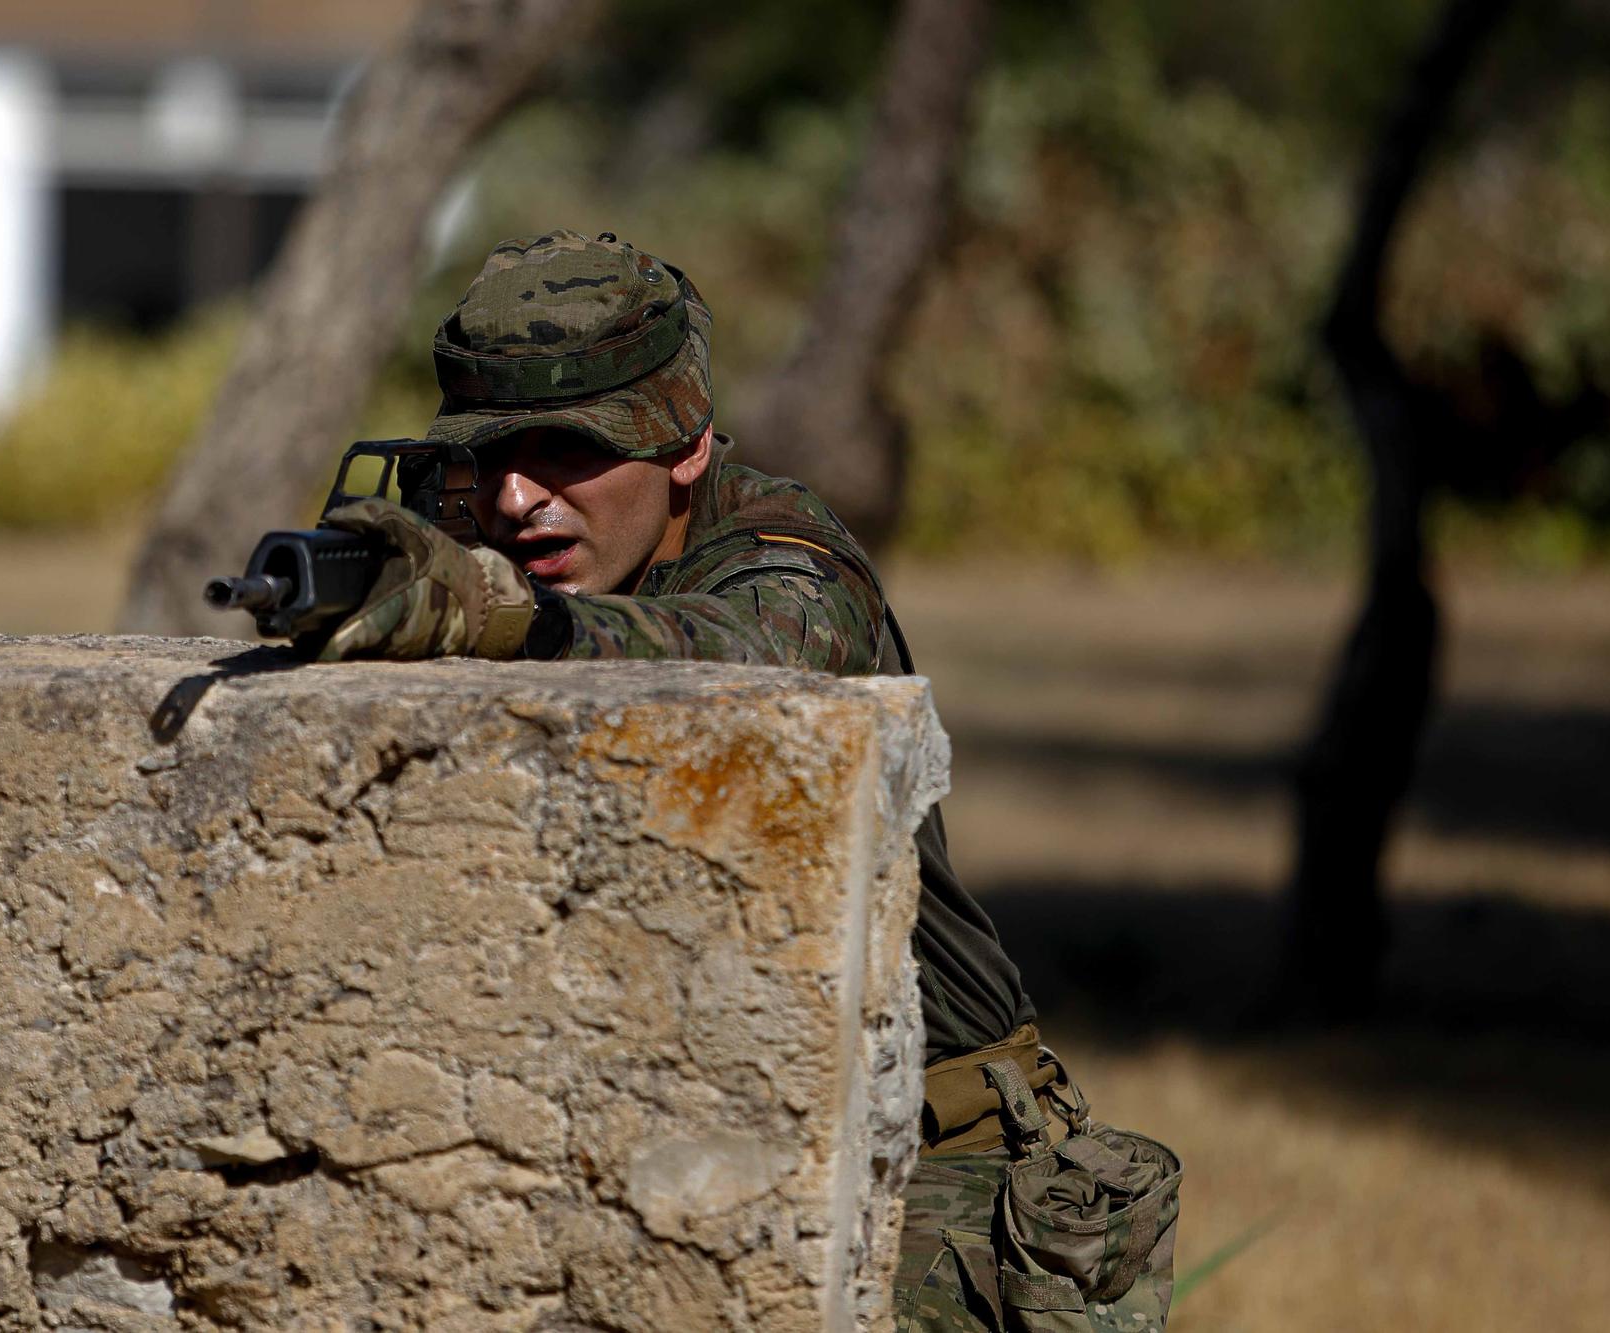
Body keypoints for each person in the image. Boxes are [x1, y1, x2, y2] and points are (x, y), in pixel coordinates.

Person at [315, 229, 1176, 1330]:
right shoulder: (506, 551)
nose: (518, 499)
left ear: (683, 444)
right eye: (486, 457)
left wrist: (500, 614)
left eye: (566, 450)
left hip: (931, 1169)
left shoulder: (779, 551)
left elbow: (762, 648)